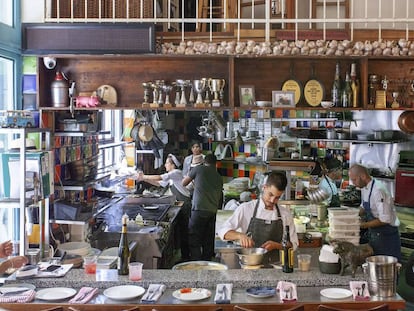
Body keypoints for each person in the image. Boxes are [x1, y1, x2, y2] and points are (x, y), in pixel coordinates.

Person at [217, 171, 298, 265]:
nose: (272, 200)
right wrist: (240, 236)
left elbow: (293, 245)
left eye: (277, 197)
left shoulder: (285, 214)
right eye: (270, 194)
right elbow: (223, 231)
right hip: (250, 265)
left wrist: (277, 246)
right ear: (264, 188)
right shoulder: (246, 208)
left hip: (276, 267)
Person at [137, 154, 191, 261]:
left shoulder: (176, 173)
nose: (165, 165)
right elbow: (159, 183)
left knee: (184, 231)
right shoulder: (171, 175)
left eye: (167, 163)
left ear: (172, 165)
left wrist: (144, 176)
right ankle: (184, 255)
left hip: (185, 205)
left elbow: (159, 177)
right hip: (181, 204)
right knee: (182, 230)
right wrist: (144, 179)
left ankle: (186, 257)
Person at [348, 164, 401, 261]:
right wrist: (351, 216)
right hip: (375, 235)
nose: (353, 183)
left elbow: (385, 219)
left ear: (363, 176)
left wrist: (362, 225)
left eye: (354, 180)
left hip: (386, 238)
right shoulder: (365, 187)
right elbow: (364, 207)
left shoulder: (378, 190)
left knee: (388, 270)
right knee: (375, 266)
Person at [182, 153, 223, 261]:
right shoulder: (219, 177)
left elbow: (184, 183)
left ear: (204, 162)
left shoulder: (199, 169)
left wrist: (194, 179)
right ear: (216, 164)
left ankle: (196, 263)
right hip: (212, 212)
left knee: (194, 238)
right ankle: (207, 264)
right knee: (208, 240)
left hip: (198, 210)